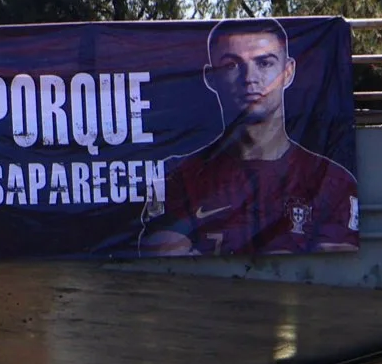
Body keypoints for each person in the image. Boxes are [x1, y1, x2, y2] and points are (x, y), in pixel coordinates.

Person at [140, 18, 358, 256]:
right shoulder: (178, 177)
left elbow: (330, 270)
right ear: (211, 77)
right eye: (232, 65)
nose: (249, 78)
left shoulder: (331, 180)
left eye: (264, 63)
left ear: (288, 72)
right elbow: (164, 255)